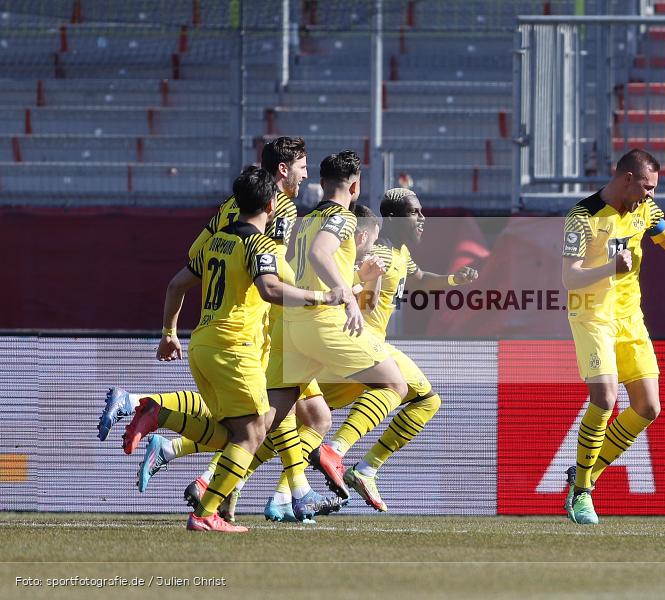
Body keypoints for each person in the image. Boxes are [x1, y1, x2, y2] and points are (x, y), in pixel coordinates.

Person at [122, 166, 340, 532]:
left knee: (232, 434)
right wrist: (321, 297)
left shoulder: (215, 240)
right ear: (272, 204)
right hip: (234, 347)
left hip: (202, 344)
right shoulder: (258, 244)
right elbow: (270, 289)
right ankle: (204, 510)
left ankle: (162, 420)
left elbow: (176, 285)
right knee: (255, 431)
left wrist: (168, 332)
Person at [311, 188, 478, 511]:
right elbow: (350, 286)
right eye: (414, 213)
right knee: (428, 400)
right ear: (391, 218)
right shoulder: (380, 254)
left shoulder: (399, 253)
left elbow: (417, 278)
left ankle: (216, 478)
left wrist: (453, 280)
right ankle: (360, 464)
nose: (422, 219)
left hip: (356, 353)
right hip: (363, 345)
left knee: (293, 419)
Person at [561, 149, 665, 525]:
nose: (651, 194)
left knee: (648, 408)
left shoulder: (646, 211)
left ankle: (583, 476)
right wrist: (609, 265)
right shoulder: (582, 216)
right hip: (592, 316)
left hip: (629, 320)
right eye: (647, 186)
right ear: (626, 178)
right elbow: (569, 277)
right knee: (605, 397)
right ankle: (582, 493)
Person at [282, 151, 411, 502]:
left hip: (294, 323)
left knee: (272, 418)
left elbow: (303, 267)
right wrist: (350, 297)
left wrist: (355, 280)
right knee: (395, 386)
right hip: (324, 323)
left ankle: (216, 484)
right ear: (355, 186)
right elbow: (319, 256)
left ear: (321, 184)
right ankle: (335, 453)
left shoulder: (305, 220)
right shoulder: (343, 218)